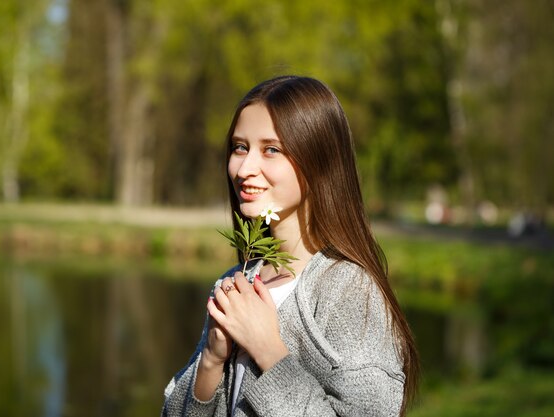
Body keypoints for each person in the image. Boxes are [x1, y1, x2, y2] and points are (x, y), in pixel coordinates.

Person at [161, 76, 419, 417]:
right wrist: (211, 359)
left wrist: (268, 350)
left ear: (319, 161)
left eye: (271, 149)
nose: (245, 168)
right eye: (240, 147)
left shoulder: (350, 292)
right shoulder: (238, 282)